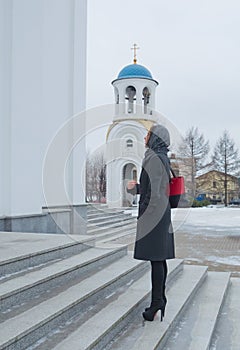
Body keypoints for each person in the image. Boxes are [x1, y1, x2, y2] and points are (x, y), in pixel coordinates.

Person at [127, 124, 175, 322]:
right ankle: (159, 299)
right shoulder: (161, 156)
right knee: (159, 259)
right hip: (161, 214)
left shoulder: (154, 157)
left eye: (148, 134)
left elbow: (155, 193)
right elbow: (154, 186)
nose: (145, 137)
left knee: (156, 259)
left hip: (154, 216)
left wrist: (145, 213)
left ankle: (156, 303)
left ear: (155, 137)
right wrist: (136, 188)